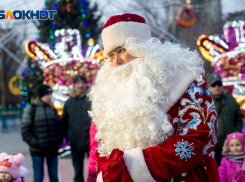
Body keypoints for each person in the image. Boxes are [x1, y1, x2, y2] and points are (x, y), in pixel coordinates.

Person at [88, 13, 219, 182]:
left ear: (142, 47)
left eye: (121, 50)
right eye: (111, 55)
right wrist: (107, 174)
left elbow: (203, 134)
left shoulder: (183, 79)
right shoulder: (110, 94)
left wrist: (135, 168)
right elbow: (104, 148)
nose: (117, 61)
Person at [21, 84, 63, 182]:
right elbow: (25, 131)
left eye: (50, 94)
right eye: (47, 94)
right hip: (37, 151)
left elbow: (59, 127)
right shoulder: (31, 109)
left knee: (54, 177)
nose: (49, 97)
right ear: (41, 95)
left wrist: (58, 141)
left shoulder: (53, 108)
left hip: (52, 150)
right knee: (38, 177)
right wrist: (37, 143)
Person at [207, 73, 243, 166]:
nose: (217, 87)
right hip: (214, 148)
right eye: (214, 85)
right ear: (209, 87)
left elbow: (239, 118)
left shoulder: (231, 100)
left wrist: (237, 133)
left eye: (219, 84)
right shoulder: (207, 103)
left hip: (232, 147)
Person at [63, 75, 91, 182]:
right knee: (78, 174)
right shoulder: (69, 103)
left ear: (86, 84)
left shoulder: (91, 101)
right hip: (75, 143)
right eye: (78, 83)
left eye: (82, 83)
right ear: (74, 86)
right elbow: (64, 122)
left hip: (91, 143)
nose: (80, 85)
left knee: (93, 171)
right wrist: (68, 137)